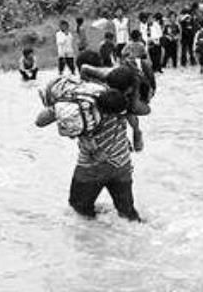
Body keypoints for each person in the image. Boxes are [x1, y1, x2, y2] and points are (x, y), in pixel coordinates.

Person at [36, 53, 143, 222]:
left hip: (92, 165)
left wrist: (57, 106)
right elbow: (134, 118)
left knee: (80, 211)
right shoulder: (121, 91)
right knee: (128, 213)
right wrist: (137, 136)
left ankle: (95, 243)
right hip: (122, 162)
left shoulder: (79, 97)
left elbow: (40, 122)